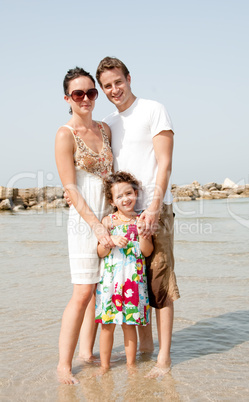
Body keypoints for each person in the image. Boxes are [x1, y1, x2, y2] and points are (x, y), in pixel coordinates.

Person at [95, 57, 180, 377]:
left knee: (160, 283)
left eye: (118, 82)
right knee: (135, 283)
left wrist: (155, 208)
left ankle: (163, 359)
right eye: (107, 86)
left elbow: (165, 163)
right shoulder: (108, 123)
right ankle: (144, 351)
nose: (114, 89)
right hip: (122, 213)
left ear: (129, 78)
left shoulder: (153, 109)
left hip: (154, 210)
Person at [55, 67, 114, 384]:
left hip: (108, 217)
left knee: (99, 291)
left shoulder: (105, 129)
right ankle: (64, 365)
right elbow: (72, 188)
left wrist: (113, 218)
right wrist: (95, 225)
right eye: (79, 93)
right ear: (68, 98)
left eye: (91, 92)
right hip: (84, 221)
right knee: (82, 291)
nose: (87, 98)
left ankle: (87, 353)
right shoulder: (65, 134)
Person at [95, 171, 153, 374]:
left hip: (132, 281)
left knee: (129, 324)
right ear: (112, 200)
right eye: (119, 196)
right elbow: (100, 252)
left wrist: (141, 232)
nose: (125, 199)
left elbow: (147, 251)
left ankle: (131, 366)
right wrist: (110, 242)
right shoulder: (108, 221)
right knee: (107, 325)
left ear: (135, 193)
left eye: (128, 193)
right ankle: (104, 366)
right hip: (111, 281)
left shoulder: (142, 219)